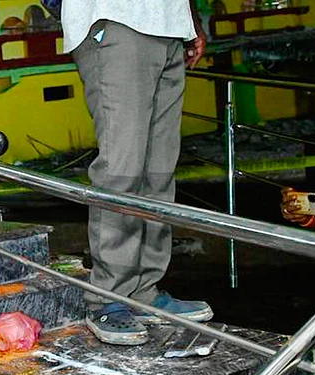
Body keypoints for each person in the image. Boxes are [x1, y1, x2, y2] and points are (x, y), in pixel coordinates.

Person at [62, 0, 215, 346]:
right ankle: (107, 297)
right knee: (122, 169)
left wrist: (190, 20)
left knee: (159, 171)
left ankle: (144, 291)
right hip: (116, 20)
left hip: (169, 26)